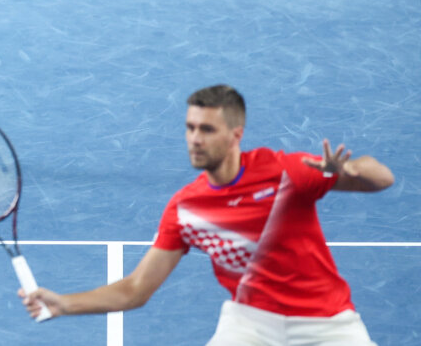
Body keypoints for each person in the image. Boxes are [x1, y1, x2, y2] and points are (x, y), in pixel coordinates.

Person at [20, 85, 394, 345]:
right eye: (190, 128)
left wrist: (344, 172)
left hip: (326, 322)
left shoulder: (285, 172)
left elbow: (382, 178)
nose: (195, 138)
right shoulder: (186, 208)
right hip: (250, 324)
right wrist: (65, 304)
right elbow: (136, 289)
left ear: (235, 134)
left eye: (207, 129)